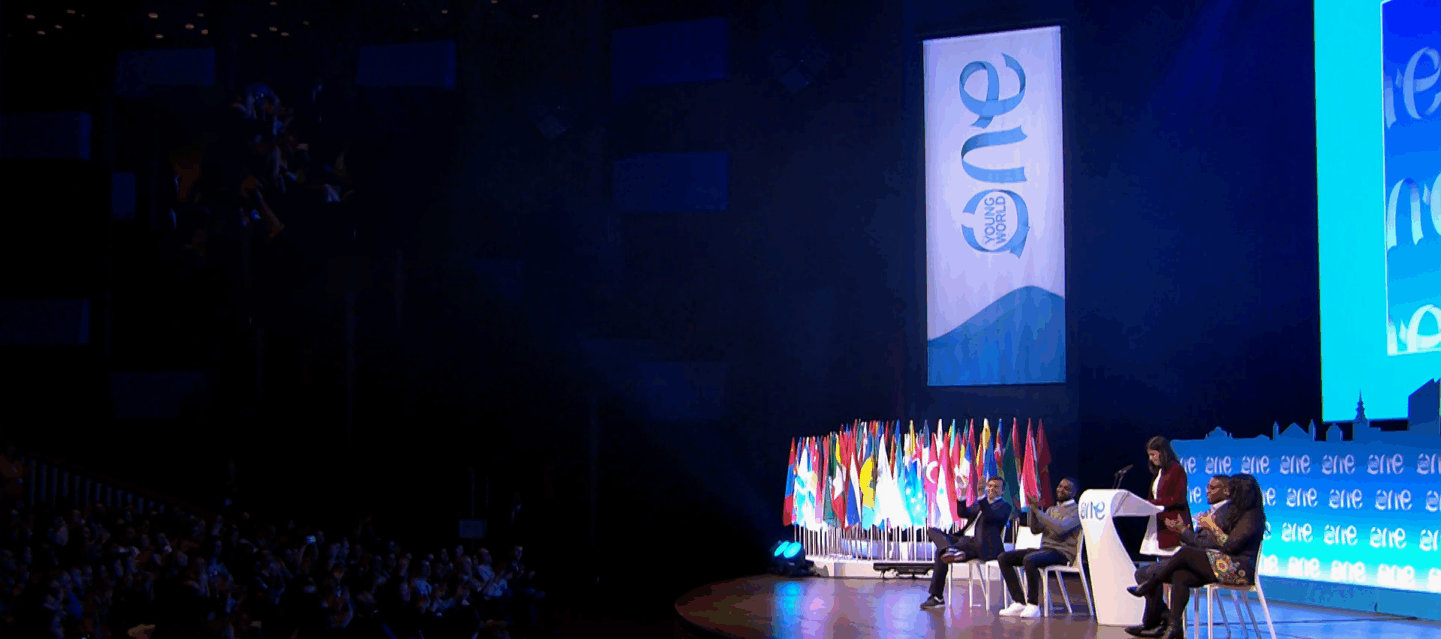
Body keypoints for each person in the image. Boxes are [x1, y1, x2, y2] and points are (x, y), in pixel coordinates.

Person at [1126, 474, 1266, 639]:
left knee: (1186, 552)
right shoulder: (1237, 513)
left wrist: (1212, 526)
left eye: (1233, 491)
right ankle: (1174, 626)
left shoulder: (1253, 516)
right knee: (1181, 575)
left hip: (1237, 569)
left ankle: (1152, 583)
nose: (1230, 494)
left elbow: (1229, 546)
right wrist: (1188, 530)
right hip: (1222, 563)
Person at [920, 476, 1013, 609]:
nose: (992, 489)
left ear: (1003, 491)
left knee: (940, 553)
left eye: (996, 487)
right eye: (990, 486)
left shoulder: (1004, 506)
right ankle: (949, 549)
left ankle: (937, 597)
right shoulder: (980, 503)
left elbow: (990, 516)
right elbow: (962, 513)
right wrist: (962, 494)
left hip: (982, 546)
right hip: (964, 540)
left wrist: (981, 496)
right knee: (932, 530)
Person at [997, 477, 1082, 618]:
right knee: (1004, 558)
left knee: (1030, 559)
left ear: (1074, 492)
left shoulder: (1076, 511)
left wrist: (1038, 512)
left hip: (1062, 553)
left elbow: (1060, 529)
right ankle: (1019, 601)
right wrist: (1032, 510)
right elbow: (1035, 530)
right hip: (1046, 550)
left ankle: (1033, 605)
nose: (1061, 490)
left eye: (1066, 488)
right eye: (1060, 486)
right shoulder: (1052, 510)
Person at [1144, 437, 1191, 551]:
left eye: (1153, 454)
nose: (1151, 459)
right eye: (1149, 455)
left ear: (1162, 452)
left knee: (1172, 557)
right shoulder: (1159, 472)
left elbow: (1179, 498)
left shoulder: (1176, 469)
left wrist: (1154, 503)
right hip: (1159, 521)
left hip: (1173, 523)